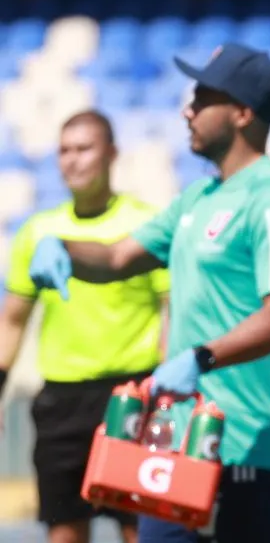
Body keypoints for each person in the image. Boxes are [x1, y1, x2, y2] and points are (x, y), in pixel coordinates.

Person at [26, 44, 270, 543]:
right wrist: (65, 249)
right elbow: (118, 257)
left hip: (243, 439)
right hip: (174, 439)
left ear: (242, 114)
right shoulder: (197, 198)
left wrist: (201, 359)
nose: (188, 110)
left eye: (203, 98)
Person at [0, 110, 169, 543]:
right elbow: (12, 321)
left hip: (131, 397)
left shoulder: (145, 226)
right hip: (61, 400)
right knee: (64, 532)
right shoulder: (38, 230)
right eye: (64, 150)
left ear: (111, 154)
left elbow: (173, 311)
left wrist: (169, 395)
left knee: (141, 530)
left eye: (84, 148)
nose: (72, 161)